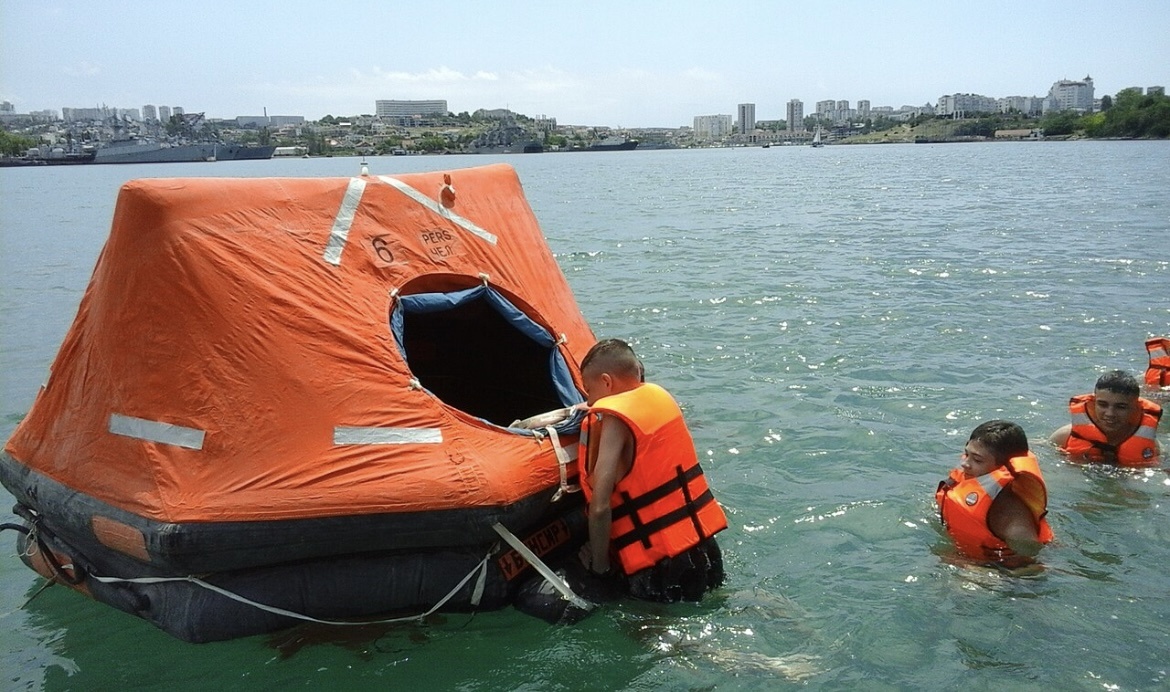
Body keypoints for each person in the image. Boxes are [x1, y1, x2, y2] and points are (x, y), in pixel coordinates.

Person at [576, 338, 727, 602]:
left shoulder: (614, 423)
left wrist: (600, 569)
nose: (589, 401)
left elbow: (600, 507)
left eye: (589, 390)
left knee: (644, 633)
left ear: (607, 382)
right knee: (721, 597)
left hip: (661, 564)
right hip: (703, 546)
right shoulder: (659, 398)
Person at [936, 420, 1054, 567]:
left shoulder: (1013, 521)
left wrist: (974, 569)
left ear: (1004, 468)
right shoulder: (969, 480)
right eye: (967, 454)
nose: (965, 464)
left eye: (977, 460)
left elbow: (1033, 570)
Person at [1049, 370, 1163, 467]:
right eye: (1102, 405)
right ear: (1094, 403)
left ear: (1136, 408)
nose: (1110, 413)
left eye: (1121, 407)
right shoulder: (1064, 437)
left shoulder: (1153, 447)